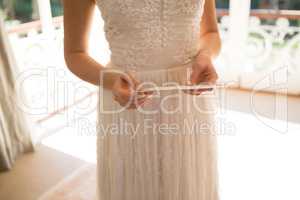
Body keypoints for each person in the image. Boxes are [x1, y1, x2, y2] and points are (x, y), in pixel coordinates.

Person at [63, 0, 221, 199]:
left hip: (188, 96)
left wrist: (205, 55)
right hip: (127, 96)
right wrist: (112, 81)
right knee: (134, 184)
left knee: (188, 183)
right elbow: (74, 54)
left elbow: (211, 33)